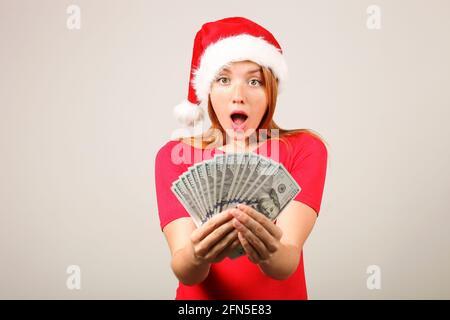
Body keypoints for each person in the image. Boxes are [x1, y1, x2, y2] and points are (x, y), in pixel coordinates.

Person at [154, 17, 328, 299]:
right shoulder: (175, 158)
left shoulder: (305, 149)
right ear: (208, 91)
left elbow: (285, 264)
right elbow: (185, 269)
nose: (238, 96)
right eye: (223, 79)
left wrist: (268, 248)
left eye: (254, 81)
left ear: (270, 91)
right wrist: (198, 255)